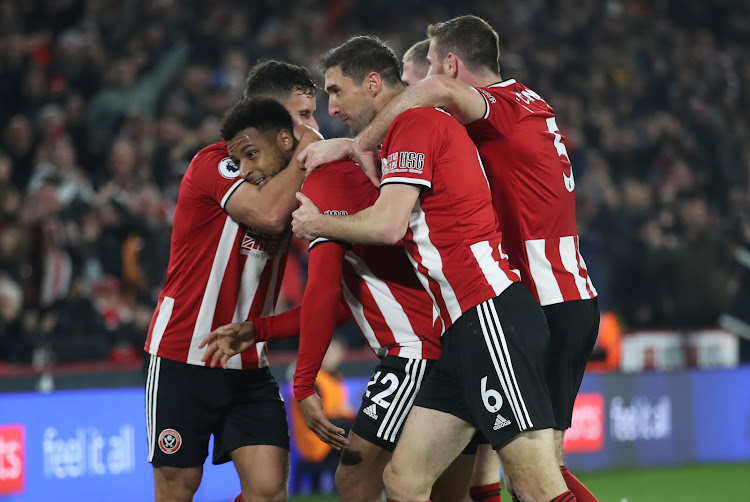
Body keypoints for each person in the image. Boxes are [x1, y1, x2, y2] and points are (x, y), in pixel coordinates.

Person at [300, 15, 601, 501]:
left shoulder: (432, 117)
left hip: (497, 309)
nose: (330, 107)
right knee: (405, 480)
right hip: (474, 322)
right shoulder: (513, 109)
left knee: (536, 481)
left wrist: (323, 214)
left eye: (336, 92)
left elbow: (389, 223)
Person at [199, 123, 474, 501]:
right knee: (451, 489)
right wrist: (259, 328)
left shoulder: (322, 183)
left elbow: (324, 292)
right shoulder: (354, 175)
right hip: (450, 345)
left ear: (284, 142)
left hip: (415, 353)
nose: (246, 171)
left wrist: (304, 382)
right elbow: (344, 305)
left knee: (355, 479)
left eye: (251, 155)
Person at [142, 60, 320, 502]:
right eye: (301, 117)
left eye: (312, 115)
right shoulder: (216, 162)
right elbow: (266, 213)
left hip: (247, 362)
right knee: (178, 489)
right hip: (185, 353)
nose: (312, 128)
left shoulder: (304, 174)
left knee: (269, 491)